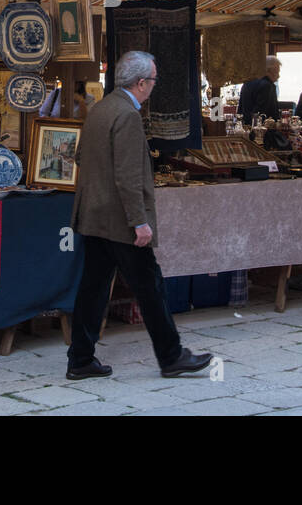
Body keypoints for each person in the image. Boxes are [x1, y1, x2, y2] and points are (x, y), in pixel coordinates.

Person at [67, 50, 212, 380]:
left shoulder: (101, 109)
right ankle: (172, 357)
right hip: (120, 221)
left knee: (93, 287)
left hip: (95, 216)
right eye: (154, 81)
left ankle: (80, 359)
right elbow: (129, 176)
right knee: (150, 286)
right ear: (142, 83)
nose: (154, 86)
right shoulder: (128, 116)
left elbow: (80, 158)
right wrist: (139, 221)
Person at [238, 56, 282, 122]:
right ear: (269, 70)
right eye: (277, 72)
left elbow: (240, 109)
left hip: (245, 126)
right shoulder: (267, 86)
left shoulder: (247, 82)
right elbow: (262, 111)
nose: (278, 76)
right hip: (262, 127)